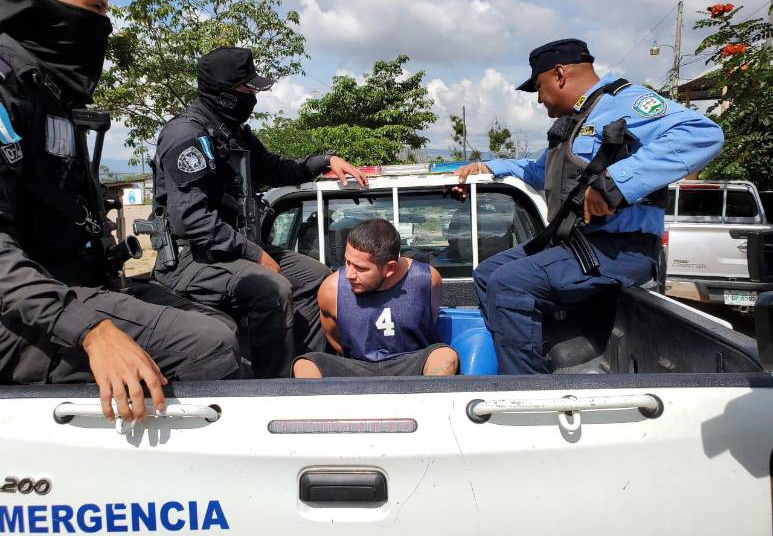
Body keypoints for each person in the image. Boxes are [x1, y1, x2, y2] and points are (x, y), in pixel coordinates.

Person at [0, 0, 242, 421]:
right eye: (93, 10)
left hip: (60, 287)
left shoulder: (47, 93)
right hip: (18, 310)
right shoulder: (7, 86)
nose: (104, 27)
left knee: (219, 320)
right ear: (39, 8)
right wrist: (90, 329)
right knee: (208, 346)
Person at [453, 38, 723, 375]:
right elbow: (542, 172)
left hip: (620, 251)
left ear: (560, 74)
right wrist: (491, 168)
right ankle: (538, 354)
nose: (539, 99)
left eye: (539, 86)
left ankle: (527, 389)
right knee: (487, 274)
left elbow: (702, 134)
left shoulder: (623, 101)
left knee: (509, 283)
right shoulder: (577, 119)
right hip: (576, 247)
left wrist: (613, 183)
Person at [152, 46, 367, 378]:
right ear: (225, 94)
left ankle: (305, 371)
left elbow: (275, 169)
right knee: (272, 287)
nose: (253, 95)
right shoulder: (187, 135)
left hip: (229, 250)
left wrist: (325, 161)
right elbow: (190, 220)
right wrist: (253, 253)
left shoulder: (231, 132)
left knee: (316, 278)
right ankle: (272, 390)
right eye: (248, 88)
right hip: (190, 258)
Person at [293, 219, 458, 378]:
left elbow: (429, 321)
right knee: (304, 365)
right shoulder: (331, 289)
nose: (349, 274)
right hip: (358, 368)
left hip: (411, 363)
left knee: (445, 356)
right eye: (347, 262)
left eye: (360, 268)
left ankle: (426, 403)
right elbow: (335, 339)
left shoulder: (427, 279)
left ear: (389, 268)